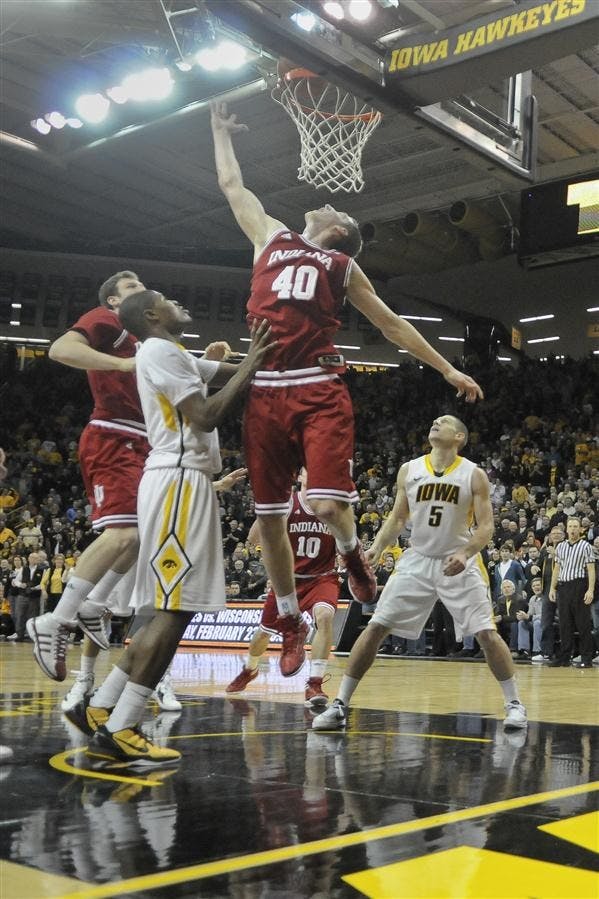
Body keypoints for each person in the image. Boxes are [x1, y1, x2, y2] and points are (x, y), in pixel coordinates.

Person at [210, 101, 483, 679]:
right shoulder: (271, 236)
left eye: (337, 210)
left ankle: (353, 554)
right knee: (269, 519)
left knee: (328, 505)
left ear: (339, 233)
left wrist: (446, 369)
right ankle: (288, 619)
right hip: (265, 387)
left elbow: (391, 324)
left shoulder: (341, 264)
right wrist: (220, 132)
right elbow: (233, 187)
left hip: (317, 385)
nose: (328, 203)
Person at [68, 289, 276, 766]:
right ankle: (122, 726)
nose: (179, 303)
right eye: (166, 299)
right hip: (179, 480)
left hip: (180, 480)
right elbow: (206, 414)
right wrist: (252, 362)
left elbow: (226, 372)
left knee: (167, 610)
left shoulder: (170, 352)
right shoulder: (160, 351)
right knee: (175, 609)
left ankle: (103, 706)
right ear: (151, 314)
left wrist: (262, 358)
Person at [312, 415, 527, 732]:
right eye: (435, 421)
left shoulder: (473, 474)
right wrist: (378, 548)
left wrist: (465, 553)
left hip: (459, 561)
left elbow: (486, 528)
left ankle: (514, 704)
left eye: (444, 421)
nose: (436, 422)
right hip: (418, 559)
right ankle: (340, 704)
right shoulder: (409, 470)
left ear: (459, 437)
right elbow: (398, 518)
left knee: (486, 633)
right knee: (376, 626)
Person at [226, 468, 340, 708]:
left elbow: (348, 542)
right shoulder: (288, 503)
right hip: (287, 581)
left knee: (325, 618)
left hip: (321, 578)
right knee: (263, 634)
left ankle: (315, 683)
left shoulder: (334, 506)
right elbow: (253, 539)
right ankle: (250, 669)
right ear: (299, 477)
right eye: (309, 469)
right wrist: (267, 507)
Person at [548, 517, 596, 668]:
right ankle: (565, 657)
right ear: (566, 529)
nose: (573, 529)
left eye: (576, 526)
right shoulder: (560, 546)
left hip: (579, 586)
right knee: (564, 624)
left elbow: (591, 570)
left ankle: (586, 658)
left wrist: (590, 590)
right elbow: (557, 568)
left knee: (582, 624)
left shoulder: (586, 546)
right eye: (570, 526)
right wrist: (552, 588)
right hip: (563, 587)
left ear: (580, 529)